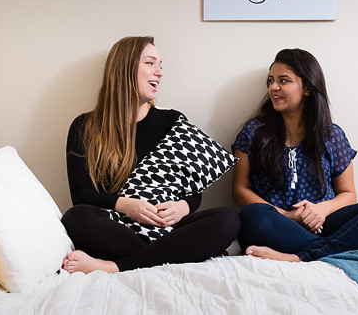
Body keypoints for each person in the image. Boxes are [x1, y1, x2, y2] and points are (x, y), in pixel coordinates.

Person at [62, 36, 240, 274]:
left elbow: (192, 189)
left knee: (228, 219)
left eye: (161, 65)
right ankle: (175, 252)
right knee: (75, 217)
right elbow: (81, 195)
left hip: (165, 226)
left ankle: (116, 266)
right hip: (116, 226)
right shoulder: (85, 126)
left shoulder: (173, 121)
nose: (160, 72)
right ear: (124, 68)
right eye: (150, 63)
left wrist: (183, 207)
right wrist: (125, 205)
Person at [232, 48, 358, 262]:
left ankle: (300, 256)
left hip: (325, 223)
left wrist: (320, 210)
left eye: (284, 80)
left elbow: (348, 193)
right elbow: (240, 189)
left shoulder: (331, 134)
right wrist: (287, 215)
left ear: (307, 88)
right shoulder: (254, 131)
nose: (273, 87)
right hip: (277, 224)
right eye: (271, 81)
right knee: (252, 216)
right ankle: (329, 251)